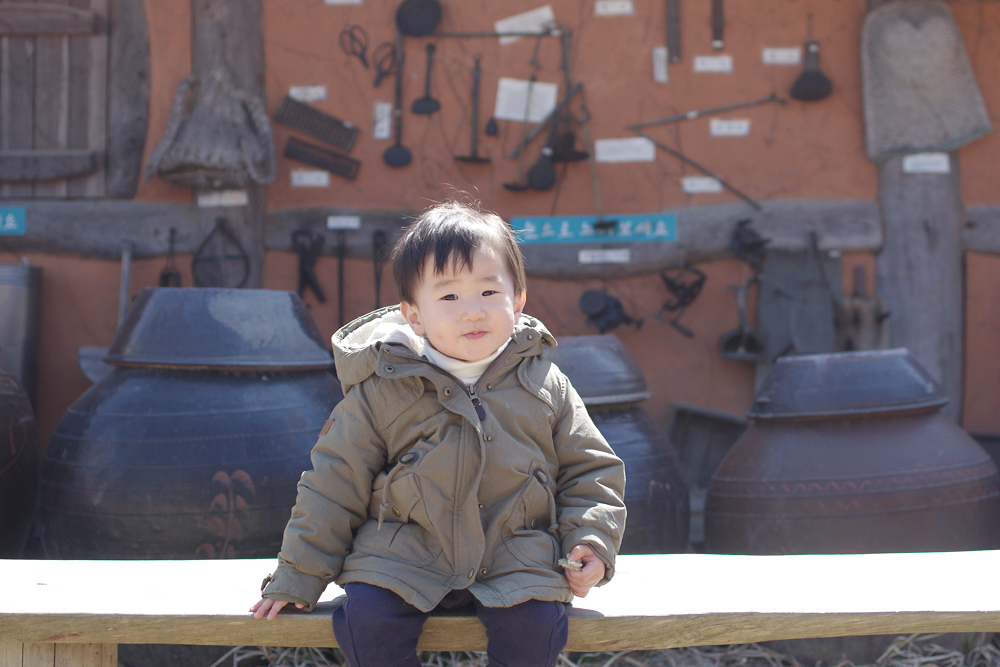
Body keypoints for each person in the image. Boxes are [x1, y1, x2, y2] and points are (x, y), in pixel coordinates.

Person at [251, 199, 626, 667]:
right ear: (414, 315)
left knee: (536, 627)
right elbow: (333, 483)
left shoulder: (546, 385)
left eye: (489, 292)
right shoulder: (383, 389)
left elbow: (590, 470)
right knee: (367, 622)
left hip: (516, 556)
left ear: (518, 301)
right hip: (402, 556)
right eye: (449, 297)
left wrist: (590, 540)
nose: (472, 312)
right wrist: (298, 576)